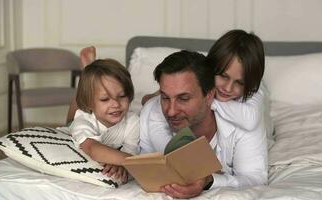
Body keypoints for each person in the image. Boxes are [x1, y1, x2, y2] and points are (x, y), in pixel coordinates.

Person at [139, 50, 268, 198]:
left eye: (184, 98)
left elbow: (255, 178)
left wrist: (209, 179)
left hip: (252, 110)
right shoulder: (151, 113)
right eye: (165, 97)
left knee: (259, 95)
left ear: (209, 96)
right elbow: (146, 164)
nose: (171, 112)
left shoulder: (246, 121)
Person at [141, 29, 273, 147]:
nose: (228, 88)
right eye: (223, 76)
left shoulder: (254, 92)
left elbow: (250, 120)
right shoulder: (205, 77)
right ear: (211, 68)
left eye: (239, 82)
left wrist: (206, 101)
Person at [69, 58, 139, 184]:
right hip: (78, 123)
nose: (116, 104)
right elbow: (93, 149)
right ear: (90, 103)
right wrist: (140, 164)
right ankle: (86, 69)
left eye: (122, 96)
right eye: (105, 99)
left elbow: (129, 151)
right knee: (70, 120)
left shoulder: (133, 121)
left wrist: (122, 165)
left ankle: (88, 70)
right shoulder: (84, 122)